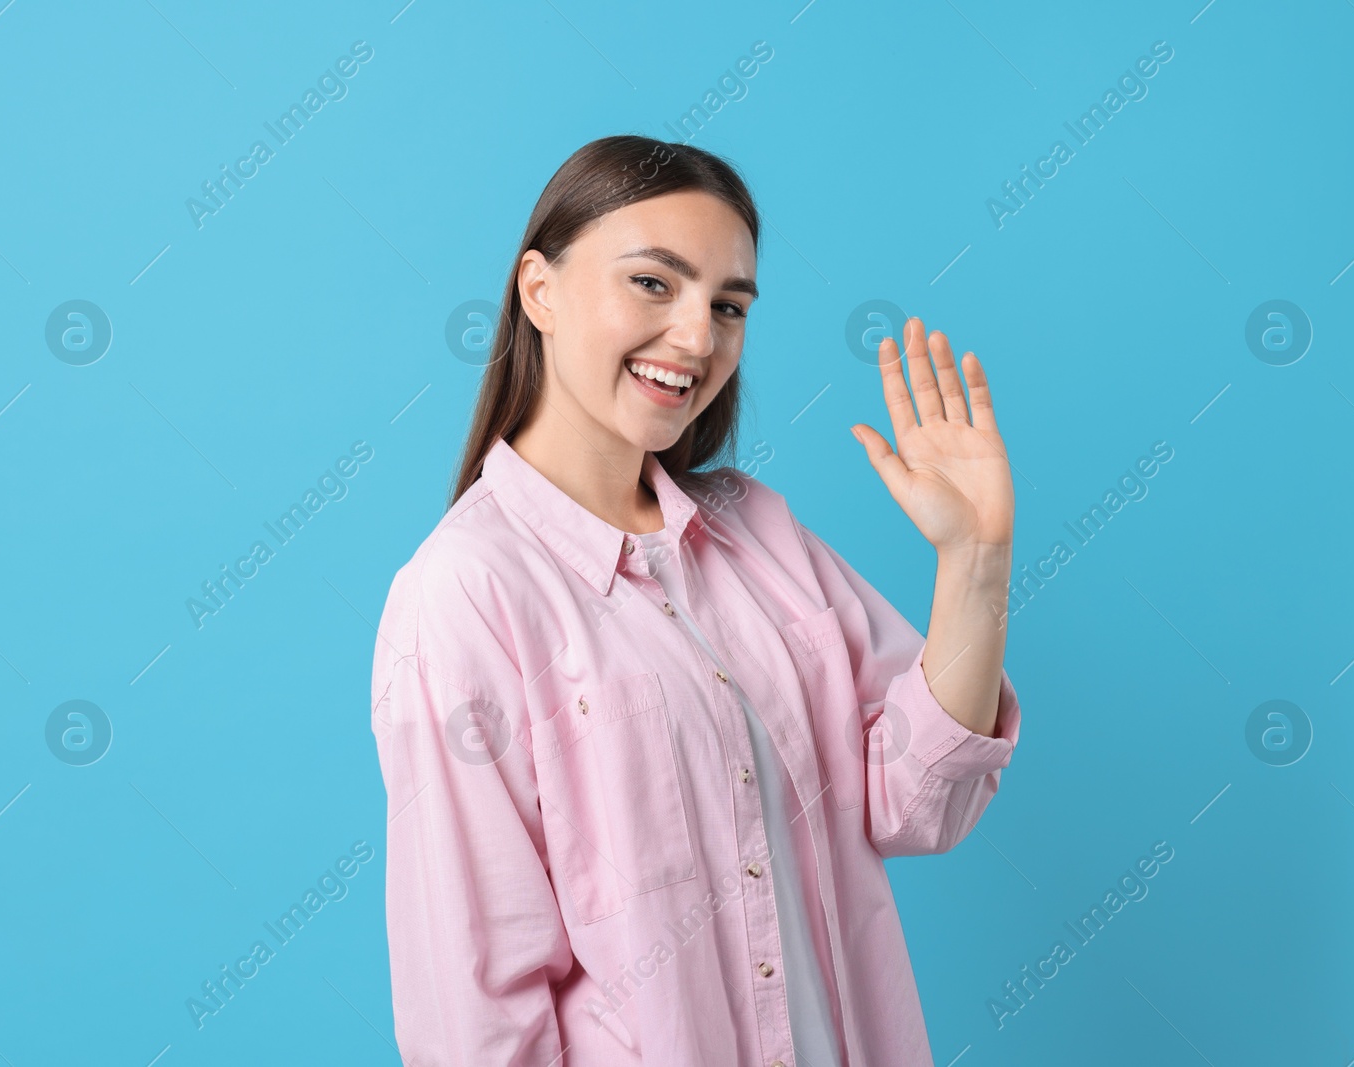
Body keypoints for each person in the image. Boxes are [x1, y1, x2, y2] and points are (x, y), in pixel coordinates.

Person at [369, 135, 1021, 1066]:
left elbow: (919, 803)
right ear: (538, 289)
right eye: (652, 283)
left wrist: (976, 559)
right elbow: (474, 1005)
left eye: (729, 305)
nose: (697, 337)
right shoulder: (465, 592)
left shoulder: (758, 532)